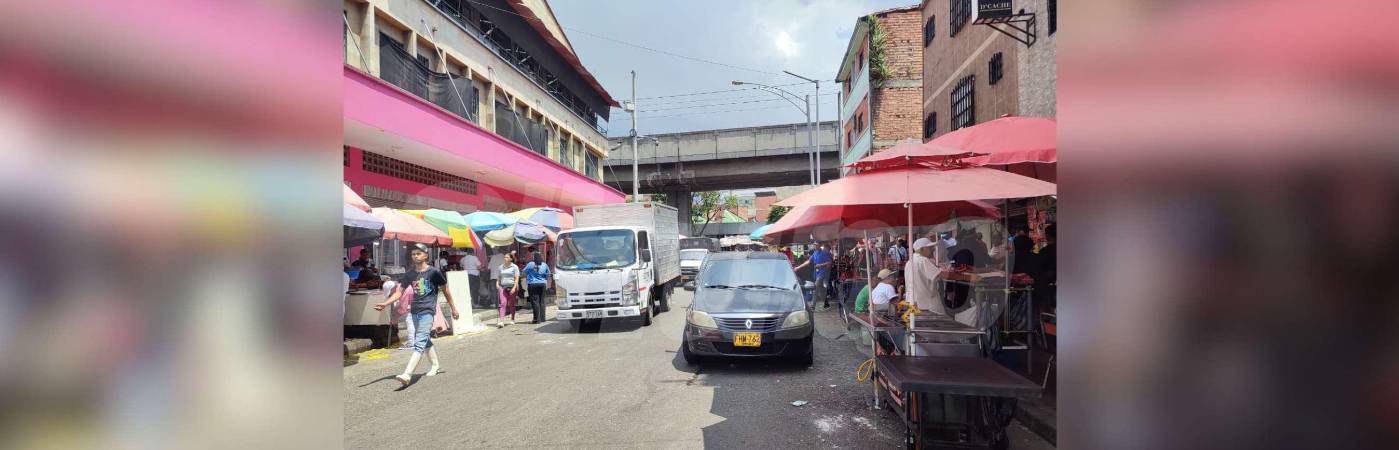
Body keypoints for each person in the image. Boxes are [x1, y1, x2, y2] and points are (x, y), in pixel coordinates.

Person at [374, 243, 458, 387]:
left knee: (419, 342)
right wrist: (386, 303)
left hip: (428, 311)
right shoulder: (409, 274)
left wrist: (453, 308)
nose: (415, 256)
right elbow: (399, 292)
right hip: (414, 311)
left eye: (418, 254)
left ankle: (407, 374)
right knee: (425, 340)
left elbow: (446, 291)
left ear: (425, 255)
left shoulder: (434, 272)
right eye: (413, 254)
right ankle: (435, 365)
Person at [905, 237, 947, 315]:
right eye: (930, 248)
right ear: (923, 249)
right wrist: (968, 277)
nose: (933, 250)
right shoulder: (923, 260)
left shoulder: (909, 261)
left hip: (914, 302)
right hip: (927, 305)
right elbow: (941, 275)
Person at [793, 242, 834, 309]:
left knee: (815, 288)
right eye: (814, 245)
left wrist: (820, 265)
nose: (814, 246)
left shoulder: (824, 253)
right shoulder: (815, 253)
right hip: (817, 274)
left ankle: (812, 306)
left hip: (822, 274)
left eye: (816, 245)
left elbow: (830, 262)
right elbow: (808, 262)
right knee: (821, 291)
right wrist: (798, 267)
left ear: (820, 245)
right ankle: (826, 303)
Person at [522, 252, 551, 324]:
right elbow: (548, 274)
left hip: (532, 284)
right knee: (542, 301)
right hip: (542, 284)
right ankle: (542, 318)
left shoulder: (530, 264)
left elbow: (524, 272)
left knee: (535, 302)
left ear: (534, 257)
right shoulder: (544, 264)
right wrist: (544, 278)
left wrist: (528, 275)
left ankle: (536, 319)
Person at [495, 253, 521, 327]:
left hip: (512, 287)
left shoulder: (514, 267)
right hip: (503, 287)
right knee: (503, 303)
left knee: (512, 304)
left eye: (506, 257)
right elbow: (499, 277)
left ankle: (512, 319)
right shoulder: (501, 267)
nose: (505, 258)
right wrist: (497, 284)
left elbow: (516, 278)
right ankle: (501, 321)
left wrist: (514, 288)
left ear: (511, 259)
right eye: (504, 257)